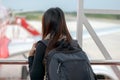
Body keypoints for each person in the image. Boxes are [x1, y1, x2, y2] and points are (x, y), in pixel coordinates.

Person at [28, 7, 72, 80]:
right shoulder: (73, 44)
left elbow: (35, 78)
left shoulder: (43, 45)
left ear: (46, 25)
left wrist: (31, 57)